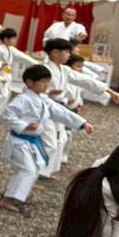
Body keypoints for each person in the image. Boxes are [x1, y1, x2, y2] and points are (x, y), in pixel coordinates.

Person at [0, 65, 92, 213]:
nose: (46, 85)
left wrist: (82, 123)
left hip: (31, 142)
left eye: (48, 81)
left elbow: (61, 112)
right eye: (43, 81)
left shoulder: (43, 99)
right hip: (19, 141)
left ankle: (15, 190)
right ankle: (7, 199)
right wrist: (24, 125)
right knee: (27, 169)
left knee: (33, 167)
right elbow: (6, 116)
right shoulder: (22, 99)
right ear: (30, 82)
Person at [39, 38, 76, 178]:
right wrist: (49, 91)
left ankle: (48, 170)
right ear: (54, 52)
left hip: (59, 107)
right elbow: (31, 88)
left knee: (61, 140)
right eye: (66, 52)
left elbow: (84, 80)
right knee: (49, 141)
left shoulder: (64, 70)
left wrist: (107, 90)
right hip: (45, 107)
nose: (68, 55)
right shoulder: (44, 69)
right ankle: (39, 171)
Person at [0, 28, 34, 120]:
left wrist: (37, 63)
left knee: (7, 94)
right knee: (2, 94)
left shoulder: (11, 49)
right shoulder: (0, 49)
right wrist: (0, 64)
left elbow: (23, 57)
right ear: (6, 39)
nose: (15, 41)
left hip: (6, 74)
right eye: (13, 38)